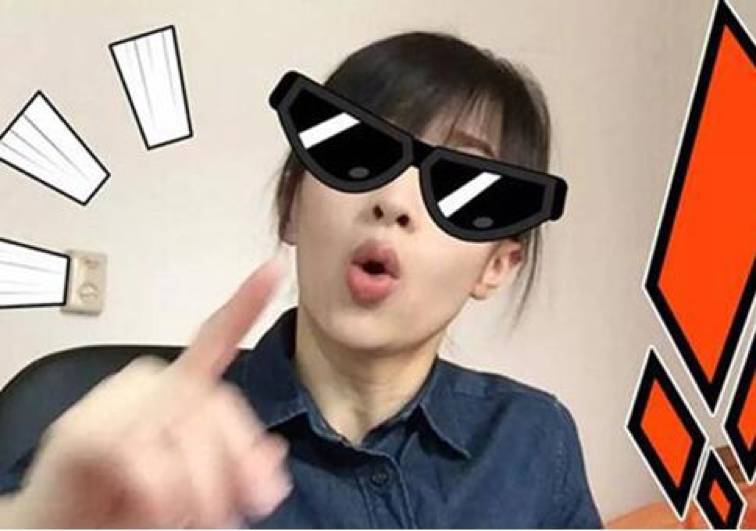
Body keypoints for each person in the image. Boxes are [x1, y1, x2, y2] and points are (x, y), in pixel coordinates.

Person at [0, 30, 603, 528]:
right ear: (292, 205)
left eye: (463, 185)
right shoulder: (155, 441)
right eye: (356, 152)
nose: (394, 201)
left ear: (497, 264)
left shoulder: (532, 440)